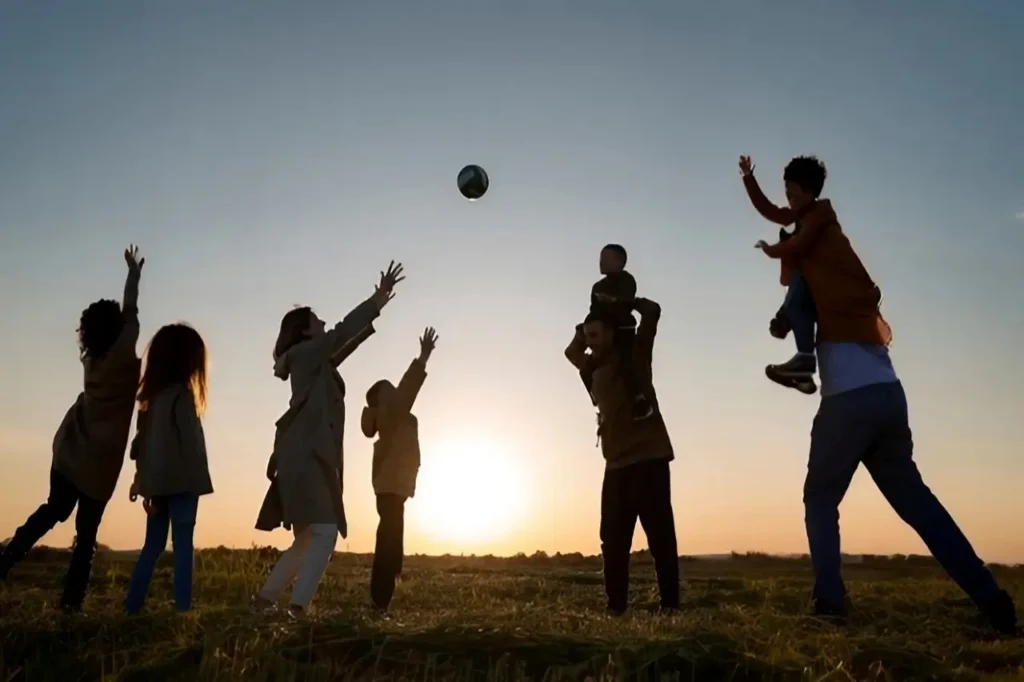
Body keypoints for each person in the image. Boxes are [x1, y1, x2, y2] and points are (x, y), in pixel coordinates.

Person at [741, 155, 1018, 633]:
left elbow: (795, 269)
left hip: (848, 400)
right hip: (889, 396)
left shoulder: (814, 243)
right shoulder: (841, 264)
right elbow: (801, 290)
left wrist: (776, 265)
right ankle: (993, 601)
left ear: (804, 194)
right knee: (921, 507)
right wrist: (787, 317)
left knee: (820, 497)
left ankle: (829, 602)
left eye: (791, 195)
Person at [254, 261, 405, 617]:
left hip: (306, 456)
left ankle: (265, 599)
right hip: (306, 457)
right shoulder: (307, 355)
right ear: (306, 333)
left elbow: (340, 347)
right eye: (316, 321)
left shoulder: (313, 361)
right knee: (325, 532)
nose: (322, 323)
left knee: (307, 537)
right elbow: (337, 336)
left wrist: (373, 313)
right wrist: (377, 300)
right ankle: (298, 607)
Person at [0, 246, 145, 613]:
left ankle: (5, 561)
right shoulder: (124, 354)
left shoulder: (92, 360)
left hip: (71, 448)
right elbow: (132, 311)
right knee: (86, 536)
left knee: (51, 511)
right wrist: (133, 275)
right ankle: (70, 603)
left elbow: (126, 315)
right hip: (100, 462)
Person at [564, 297, 679, 616]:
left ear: (613, 333)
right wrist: (582, 332)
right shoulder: (593, 367)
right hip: (614, 465)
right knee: (613, 542)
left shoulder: (634, 357)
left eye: (597, 334)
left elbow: (653, 313)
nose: (591, 342)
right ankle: (616, 608)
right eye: (589, 336)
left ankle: (670, 606)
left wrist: (625, 303)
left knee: (660, 538)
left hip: (648, 459)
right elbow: (571, 353)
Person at [740, 155, 893, 394]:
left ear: (810, 193)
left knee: (798, 277)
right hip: (818, 285)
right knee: (797, 290)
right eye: (787, 195)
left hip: (842, 287)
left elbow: (798, 245)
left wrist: (772, 250)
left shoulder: (820, 215)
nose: (789, 202)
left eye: (794, 196)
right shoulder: (800, 214)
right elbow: (769, 210)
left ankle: (793, 332)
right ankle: (803, 374)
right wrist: (749, 178)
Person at [124, 323, 213, 614]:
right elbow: (191, 445)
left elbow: (139, 447)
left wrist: (142, 483)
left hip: (157, 484)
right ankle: (183, 609)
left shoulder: (150, 401)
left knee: (152, 547)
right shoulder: (182, 397)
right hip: (184, 483)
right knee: (183, 546)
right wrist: (200, 480)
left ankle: (133, 607)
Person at [360, 326, 438, 612]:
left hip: (394, 486)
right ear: (381, 399)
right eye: (389, 389)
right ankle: (380, 597)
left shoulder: (393, 413)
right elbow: (408, 387)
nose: (395, 389)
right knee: (389, 539)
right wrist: (423, 357)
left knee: (390, 536)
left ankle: (384, 590)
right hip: (391, 485)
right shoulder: (391, 412)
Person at [581, 244, 654, 419]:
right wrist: (588, 323)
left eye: (606, 259)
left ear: (619, 262)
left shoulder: (627, 280)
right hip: (604, 331)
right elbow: (594, 309)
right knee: (586, 368)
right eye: (600, 258)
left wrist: (611, 303)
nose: (601, 262)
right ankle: (596, 398)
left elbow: (624, 302)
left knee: (627, 363)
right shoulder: (597, 287)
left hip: (623, 329)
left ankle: (639, 401)